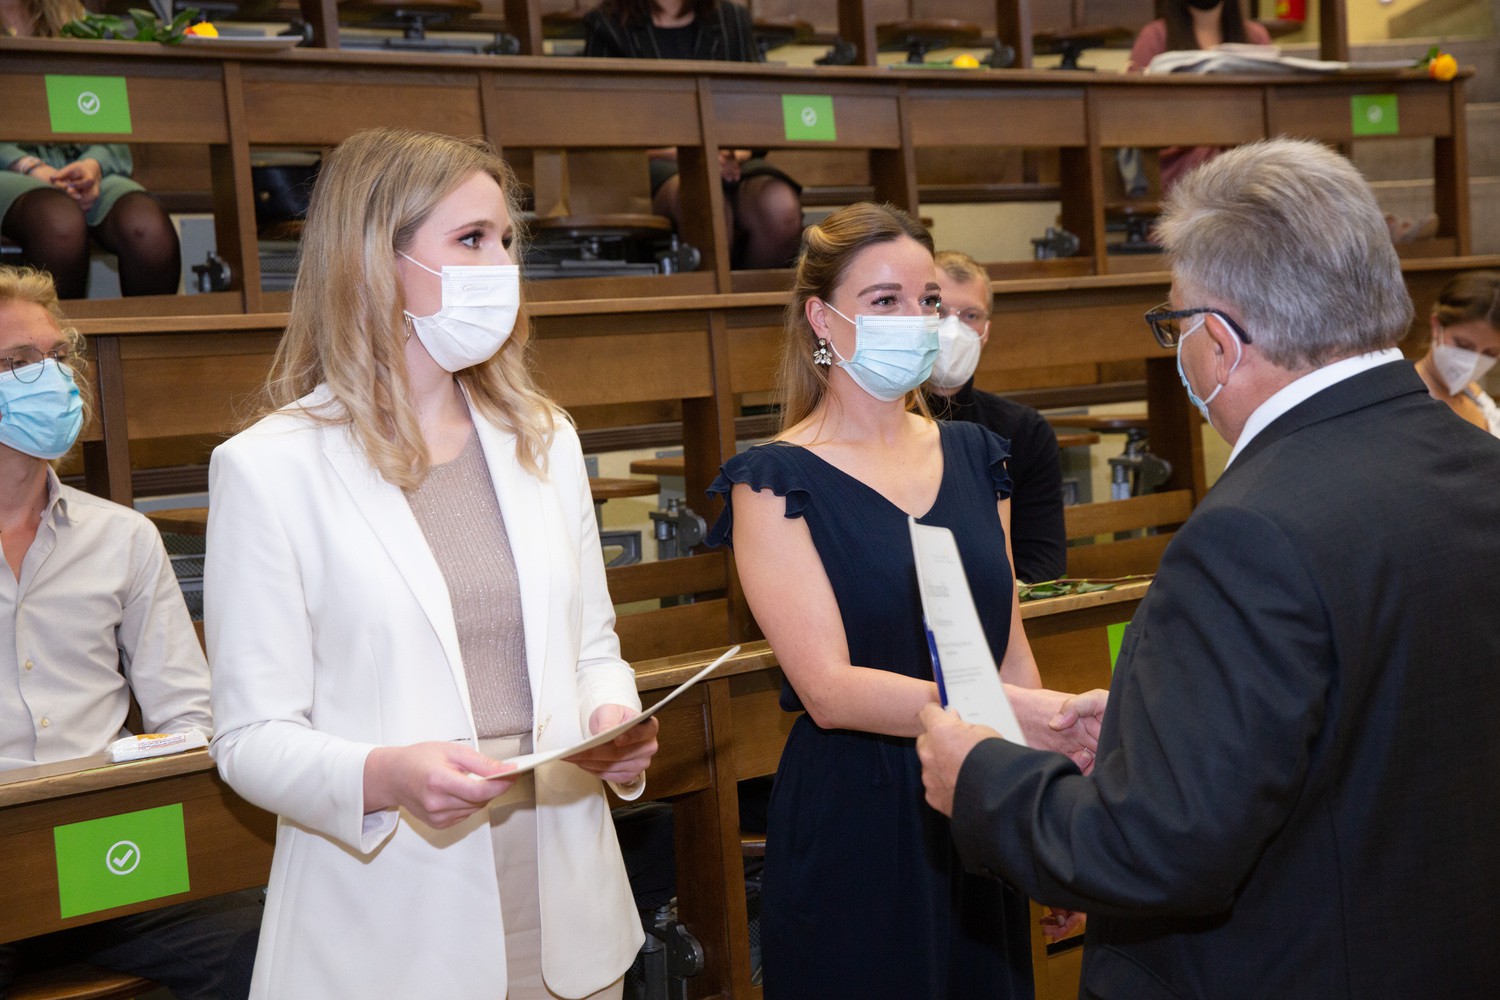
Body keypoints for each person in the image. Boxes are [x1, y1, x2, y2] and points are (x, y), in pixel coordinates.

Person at [917, 138, 1500, 999]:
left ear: (1220, 343)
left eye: (1177, 324)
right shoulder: (1479, 464)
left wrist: (983, 780)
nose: (1179, 349)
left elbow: (1155, 851)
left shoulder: (1251, 531)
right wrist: (1162, 730)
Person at [205, 128, 658, 999]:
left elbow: (594, 645)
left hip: (566, 882)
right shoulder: (269, 466)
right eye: (471, 240)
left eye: (507, 240)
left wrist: (612, 723)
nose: (502, 265)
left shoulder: (543, 437)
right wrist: (383, 775)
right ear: (378, 258)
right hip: (392, 906)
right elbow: (251, 738)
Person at [705, 202, 1098, 998]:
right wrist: (1002, 710)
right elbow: (828, 688)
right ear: (822, 317)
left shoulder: (979, 453)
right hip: (859, 813)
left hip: (979, 794)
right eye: (884, 300)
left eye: (926, 301)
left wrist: (1044, 796)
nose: (916, 320)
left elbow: (1008, 649)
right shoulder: (773, 479)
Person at [0, 265, 259, 998]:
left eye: (56, 356)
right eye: (18, 363)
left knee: (268, 948)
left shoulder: (124, 538)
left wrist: (139, 772)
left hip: (106, 841)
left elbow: (187, 711)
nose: (50, 377)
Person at [582, 0, 803, 270]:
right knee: (706, 203)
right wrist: (692, 155)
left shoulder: (731, 19)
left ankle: (754, 304)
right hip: (651, 163)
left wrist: (736, 152)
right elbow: (599, 125)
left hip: (729, 159)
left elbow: (754, 108)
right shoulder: (607, 23)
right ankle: (713, 304)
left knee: (780, 206)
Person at [0, 0, 182, 299]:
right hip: (8, 166)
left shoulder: (75, 17)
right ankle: (55, 343)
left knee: (148, 230)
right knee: (60, 223)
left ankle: (147, 345)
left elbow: (108, 111)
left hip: (79, 162)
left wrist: (93, 166)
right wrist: (31, 166)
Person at [925, 249, 1065, 583]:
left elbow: (1043, 566)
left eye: (970, 315)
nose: (954, 328)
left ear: (986, 331)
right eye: (939, 310)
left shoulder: (1024, 432)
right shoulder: (881, 424)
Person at [1125, 1, 1272, 193]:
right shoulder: (1155, 35)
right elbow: (1132, 109)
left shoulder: (1256, 36)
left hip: (1246, 154)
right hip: (1176, 160)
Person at [1413, 270, 1500, 437]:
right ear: (1436, 326)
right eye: (1463, 345)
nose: (1473, 362)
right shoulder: (1411, 402)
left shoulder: (1471, 391)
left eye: (1490, 353)